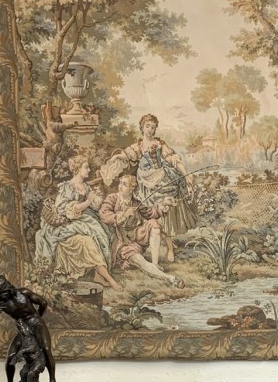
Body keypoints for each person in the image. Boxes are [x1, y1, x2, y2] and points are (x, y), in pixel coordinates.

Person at [35, 153, 121, 290]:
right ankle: (109, 279)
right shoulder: (67, 187)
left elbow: (93, 205)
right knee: (90, 239)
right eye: (86, 167)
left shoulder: (85, 186)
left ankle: (99, 276)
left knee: (105, 233)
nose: (88, 170)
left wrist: (96, 198)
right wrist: (88, 201)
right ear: (77, 169)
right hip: (67, 224)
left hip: (82, 220)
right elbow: (64, 210)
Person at [122, 114, 196, 261]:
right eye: (147, 126)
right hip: (145, 183)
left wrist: (187, 175)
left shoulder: (160, 144)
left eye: (153, 127)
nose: (150, 129)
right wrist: (113, 159)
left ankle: (169, 247)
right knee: (149, 211)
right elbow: (124, 156)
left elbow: (174, 160)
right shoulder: (138, 146)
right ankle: (152, 242)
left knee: (165, 210)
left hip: (161, 180)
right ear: (142, 127)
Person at [98, 173, 184, 288]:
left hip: (137, 237)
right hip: (122, 243)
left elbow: (151, 213)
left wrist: (164, 203)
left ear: (131, 188)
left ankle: (155, 264)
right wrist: (122, 215)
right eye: (120, 183)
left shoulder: (136, 202)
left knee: (154, 224)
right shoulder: (112, 198)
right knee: (142, 263)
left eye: (124, 184)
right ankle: (171, 279)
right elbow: (103, 214)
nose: (120, 186)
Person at [0, 275, 57, 382]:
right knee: (11, 355)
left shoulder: (23, 292)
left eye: (3, 289)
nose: (3, 294)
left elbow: (43, 303)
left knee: (46, 349)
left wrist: (38, 317)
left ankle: (52, 381)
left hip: (36, 323)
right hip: (23, 328)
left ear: (7, 285)